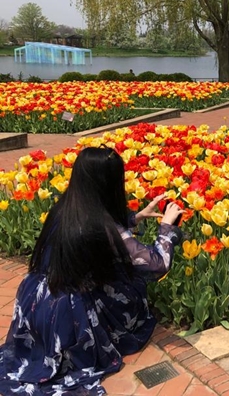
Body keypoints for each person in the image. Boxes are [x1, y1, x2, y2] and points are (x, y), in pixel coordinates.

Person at [0, 146, 183, 395]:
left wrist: (136, 217)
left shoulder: (66, 208)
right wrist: (167, 228)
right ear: (108, 184)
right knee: (131, 287)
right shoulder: (103, 226)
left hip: (36, 302)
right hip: (67, 314)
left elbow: (100, 236)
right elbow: (157, 264)